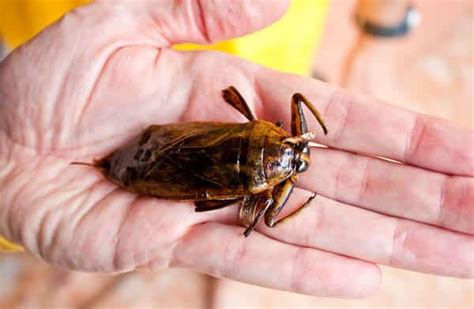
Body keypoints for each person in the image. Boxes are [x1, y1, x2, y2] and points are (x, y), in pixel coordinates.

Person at [0, 0, 472, 298]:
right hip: (120, 100)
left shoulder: (262, 128)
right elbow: (263, 216)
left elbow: (264, 199)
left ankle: (184, 261)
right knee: (232, 231)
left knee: (220, 237)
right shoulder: (263, 180)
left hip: (175, 123)